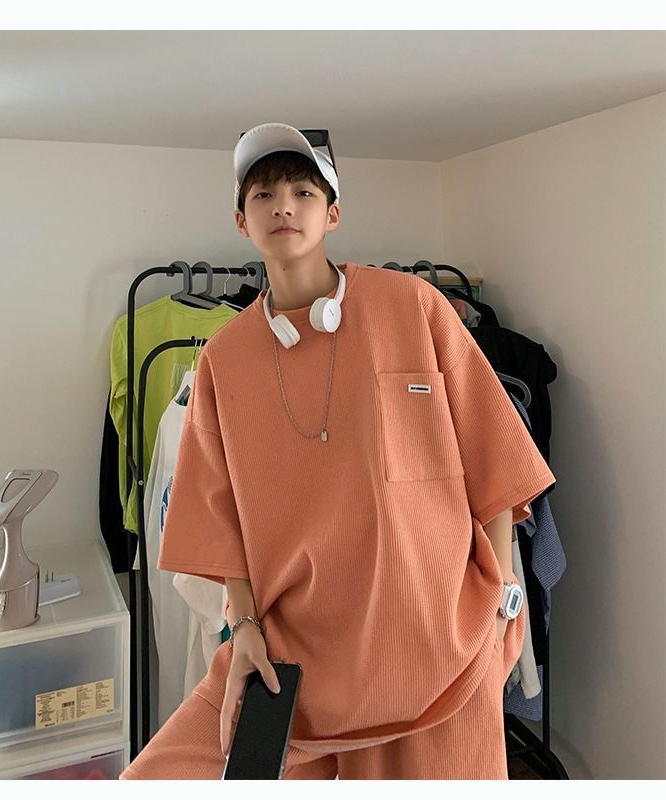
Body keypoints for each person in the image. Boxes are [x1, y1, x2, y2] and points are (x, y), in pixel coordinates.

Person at [119, 123, 556, 780]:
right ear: (241, 221)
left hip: (439, 650)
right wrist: (244, 630)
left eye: (303, 191)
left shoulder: (414, 306)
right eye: (263, 195)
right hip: (297, 670)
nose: (283, 206)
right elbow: (216, 521)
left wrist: (502, 600)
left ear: (333, 213)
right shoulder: (224, 360)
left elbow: (494, 459)